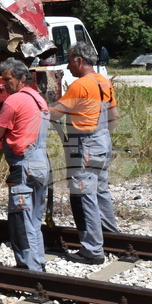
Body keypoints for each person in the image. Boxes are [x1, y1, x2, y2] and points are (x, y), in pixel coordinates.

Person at [48, 41, 120, 265]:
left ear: (80, 60)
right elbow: (114, 115)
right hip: (102, 141)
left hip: (85, 146)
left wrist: (37, 105)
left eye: (70, 61)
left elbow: (54, 115)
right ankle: (112, 238)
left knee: (85, 196)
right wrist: (103, 137)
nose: (68, 67)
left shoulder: (80, 85)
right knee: (101, 191)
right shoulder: (103, 82)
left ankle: (92, 250)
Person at [0, 59, 51, 271]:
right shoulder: (38, 98)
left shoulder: (14, 101)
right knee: (34, 219)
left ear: (22, 78)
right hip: (41, 162)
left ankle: (28, 269)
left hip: (23, 165)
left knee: (20, 220)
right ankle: (38, 263)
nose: (5, 84)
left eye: (8, 79)